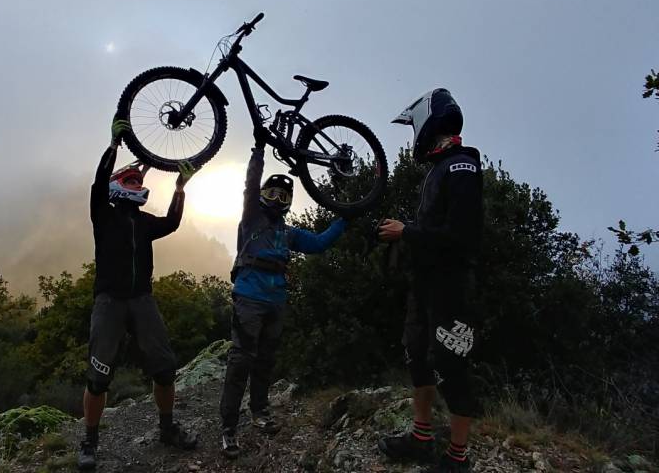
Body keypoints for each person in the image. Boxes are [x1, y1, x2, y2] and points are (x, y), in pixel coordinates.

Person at [218, 126, 348, 459]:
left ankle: (259, 412)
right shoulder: (251, 218)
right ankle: (228, 427)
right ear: (263, 195)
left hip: (276, 300)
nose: (277, 199)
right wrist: (259, 151)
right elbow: (250, 186)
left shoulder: (289, 233)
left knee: (265, 360)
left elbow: (318, 243)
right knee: (241, 361)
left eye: (284, 196)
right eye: (272, 193)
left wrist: (344, 218)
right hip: (249, 296)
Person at [78, 119, 199, 471]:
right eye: (131, 180)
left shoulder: (144, 222)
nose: (138, 184)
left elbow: (172, 222)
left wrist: (180, 188)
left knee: (164, 370)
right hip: (109, 301)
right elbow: (99, 182)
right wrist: (113, 145)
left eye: (139, 181)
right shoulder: (103, 213)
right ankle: (89, 442)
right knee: (98, 379)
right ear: (118, 185)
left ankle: (167, 429)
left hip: (142, 299)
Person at [375, 88, 484, 472]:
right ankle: (422, 438)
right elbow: (436, 229)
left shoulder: (460, 167)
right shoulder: (439, 168)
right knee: (417, 357)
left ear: (426, 122)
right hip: (425, 286)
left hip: (452, 287)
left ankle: (458, 457)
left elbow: (462, 236)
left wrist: (407, 231)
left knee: (452, 365)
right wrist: (403, 232)